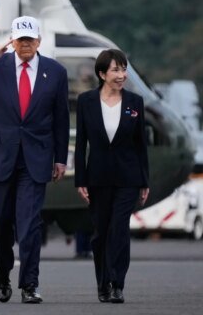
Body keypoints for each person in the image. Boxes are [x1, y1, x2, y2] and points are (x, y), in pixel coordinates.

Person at [0, 16, 69, 304]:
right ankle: (2, 274)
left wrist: (60, 158)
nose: (25, 44)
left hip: (35, 158)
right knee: (0, 223)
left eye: (30, 40)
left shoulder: (55, 72)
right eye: (20, 40)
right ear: (12, 40)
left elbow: (61, 118)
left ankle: (30, 284)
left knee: (30, 224)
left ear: (39, 41)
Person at [74, 48, 149, 304]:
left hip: (128, 178)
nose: (122, 75)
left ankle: (117, 284)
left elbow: (141, 145)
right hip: (98, 178)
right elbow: (81, 143)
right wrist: (81, 179)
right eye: (116, 70)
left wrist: (144, 180)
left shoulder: (135, 103)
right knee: (101, 233)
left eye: (124, 69)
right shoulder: (86, 101)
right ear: (102, 74)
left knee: (119, 228)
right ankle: (102, 283)